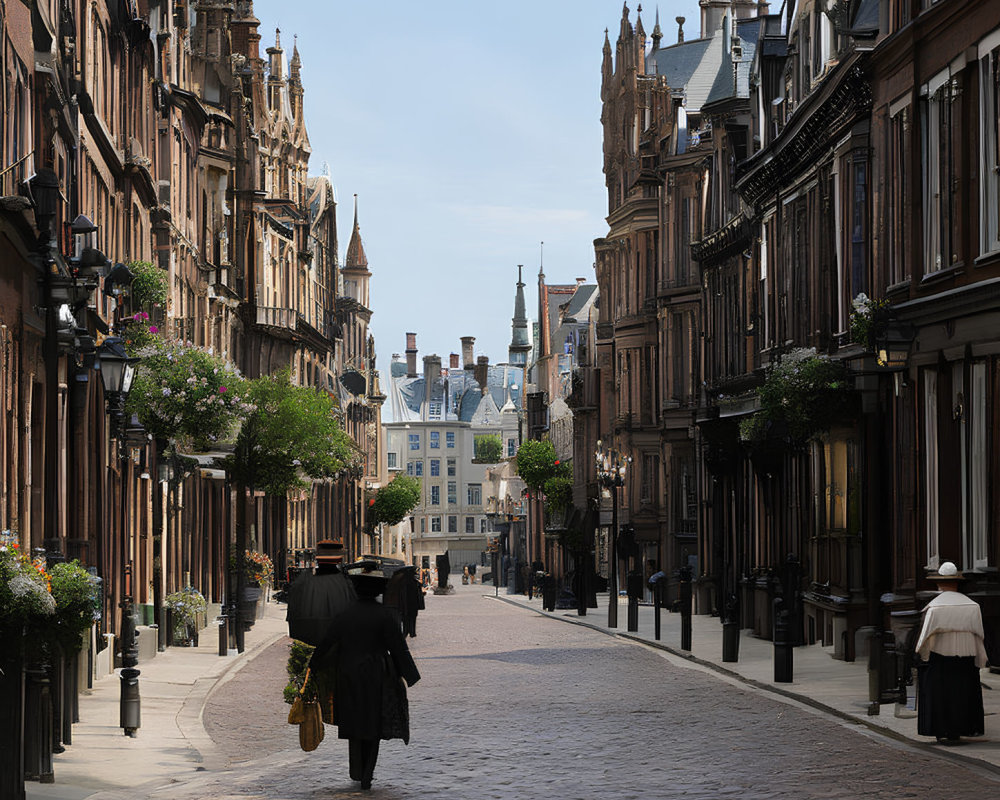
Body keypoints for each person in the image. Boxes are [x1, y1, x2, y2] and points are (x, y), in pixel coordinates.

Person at [309, 562, 420, 790]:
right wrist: (408, 675)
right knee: (373, 725)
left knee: (355, 723)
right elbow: (398, 648)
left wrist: (312, 666)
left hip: (347, 674)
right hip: (376, 675)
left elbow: (327, 643)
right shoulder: (384, 616)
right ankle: (367, 772)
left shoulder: (344, 615)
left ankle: (357, 770)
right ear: (379, 590)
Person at [914, 561, 987, 744]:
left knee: (941, 697)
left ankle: (941, 730)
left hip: (939, 658)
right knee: (962, 695)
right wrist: (980, 658)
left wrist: (921, 657)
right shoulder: (972, 606)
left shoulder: (935, 608)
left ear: (939, 584)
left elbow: (924, 639)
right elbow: (980, 636)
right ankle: (960, 728)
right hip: (966, 658)